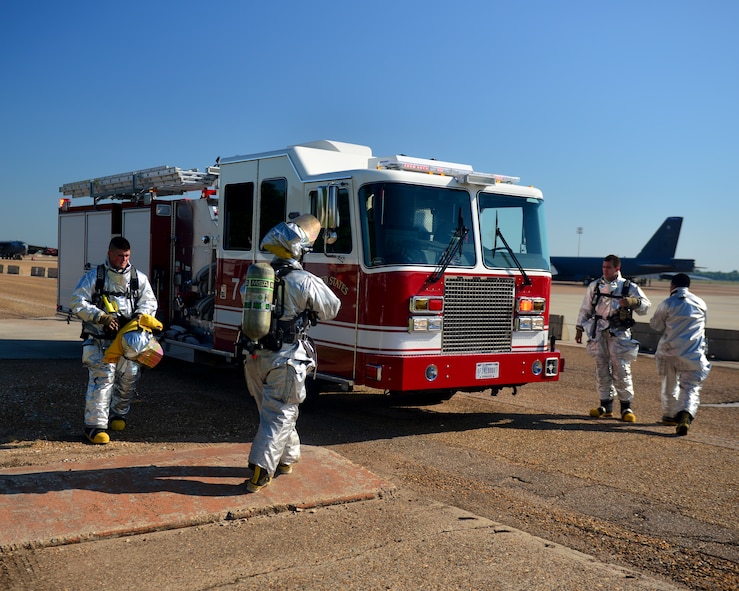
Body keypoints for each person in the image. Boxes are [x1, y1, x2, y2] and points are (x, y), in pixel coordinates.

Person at [241, 214, 341, 493]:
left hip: (254, 356)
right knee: (281, 413)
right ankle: (261, 469)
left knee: (273, 411)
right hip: (286, 358)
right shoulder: (304, 280)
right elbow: (332, 308)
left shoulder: (255, 275)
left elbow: (242, 299)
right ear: (300, 250)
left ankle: (287, 459)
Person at [70, 236, 158, 444]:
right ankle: (95, 426)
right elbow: (77, 301)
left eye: (127, 256)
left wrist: (139, 318)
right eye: (119, 255)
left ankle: (118, 414)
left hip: (129, 342)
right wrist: (101, 317)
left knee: (129, 378)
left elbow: (149, 302)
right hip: (100, 340)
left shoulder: (138, 278)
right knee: (103, 381)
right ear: (109, 254)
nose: (123, 260)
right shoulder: (95, 277)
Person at [575, 255, 651, 422]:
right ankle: (605, 405)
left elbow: (646, 306)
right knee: (601, 368)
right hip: (598, 332)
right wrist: (579, 328)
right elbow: (585, 309)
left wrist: (632, 302)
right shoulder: (595, 286)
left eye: (608, 267)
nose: (605, 270)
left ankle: (626, 407)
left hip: (619, 333)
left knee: (621, 369)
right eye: (603, 267)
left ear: (617, 268)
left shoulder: (628, 286)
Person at [649, 273, 710, 436]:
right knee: (690, 387)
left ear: (673, 285)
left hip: (670, 352)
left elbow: (656, 325)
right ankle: (685, 415)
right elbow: (704, 323)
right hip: (694, 353)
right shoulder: (701, 303)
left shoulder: (668, 303)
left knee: (669, 385)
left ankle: (669, 416)